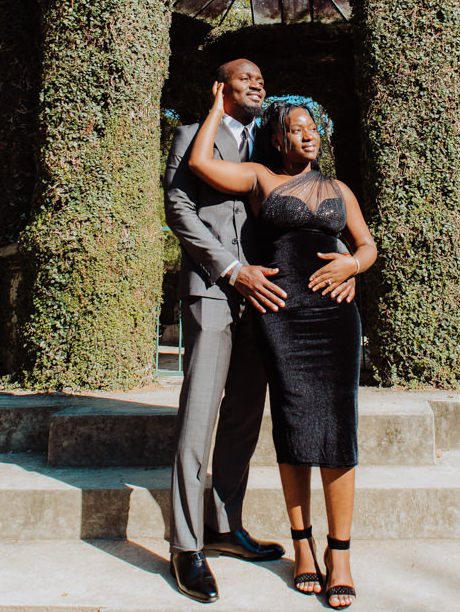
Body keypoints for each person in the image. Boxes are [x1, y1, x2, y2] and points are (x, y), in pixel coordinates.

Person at [189, 87, 377, 609]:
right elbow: (201, 162)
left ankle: (340, 554)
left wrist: (352, 266)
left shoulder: (340, 188)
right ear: (278, 138)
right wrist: (218, 108)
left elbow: (367, 244)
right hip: (280, 316)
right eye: (297, 127)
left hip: (334, 316)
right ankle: (304, 548)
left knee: (338, 426)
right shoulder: (260, 178)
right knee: (293, 425)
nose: (309, 133)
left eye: (312, 126)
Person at [164, 59, 287, 604]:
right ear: (221, 87)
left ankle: (223, 525)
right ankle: (186, 546)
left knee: (243, 418)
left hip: (263, 299)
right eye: (245, 77)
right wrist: (230, 268)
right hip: (214, 292)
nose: (258, 83)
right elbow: (178, 207)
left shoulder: (273, 144)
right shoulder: (193, 136)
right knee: (199, 417)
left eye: (262, 78)